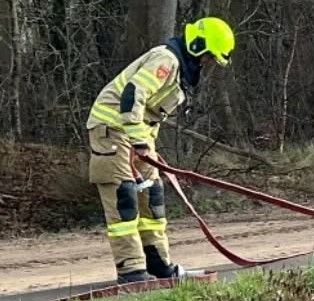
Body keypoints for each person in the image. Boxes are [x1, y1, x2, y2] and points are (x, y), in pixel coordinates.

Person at [85, 18, 235, 283]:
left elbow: (149, 114)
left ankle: (158, 264)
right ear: (198, 47)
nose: (208, 64)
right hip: (111, 129)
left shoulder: (178, 72)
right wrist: (138, 141)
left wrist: (145, 142)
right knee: (124, 199)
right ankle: (132, 270)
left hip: (133, 133)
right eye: (209, 57)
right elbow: (133, 94)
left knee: (152, 196)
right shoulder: (166, 60)